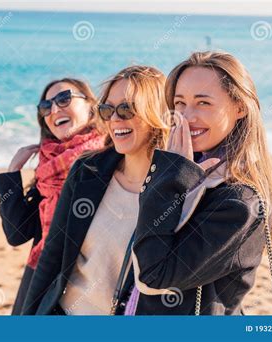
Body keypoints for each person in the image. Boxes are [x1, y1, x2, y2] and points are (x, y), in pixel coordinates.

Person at [124, 51, 272, 315]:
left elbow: (151, 275)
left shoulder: (239, 203)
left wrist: (170, 176)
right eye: (179, 103)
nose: (187, 116)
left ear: (240, 108)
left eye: (203, 103)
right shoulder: (191, 176)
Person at [21, 65, 170, 315]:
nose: (115, 119)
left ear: (155, 112)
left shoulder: (178, 188)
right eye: (107, 109)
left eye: (126, 108)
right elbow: (52, 256)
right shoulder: (87, 171)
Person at [0, 78, 105, 314]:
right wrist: (13, 173)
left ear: (91, 105)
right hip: (40, 276)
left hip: (85, 282)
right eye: (46, 106)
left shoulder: (109, 158)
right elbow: (17, 234)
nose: (54, 110)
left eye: (64, 99)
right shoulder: (47, 168)